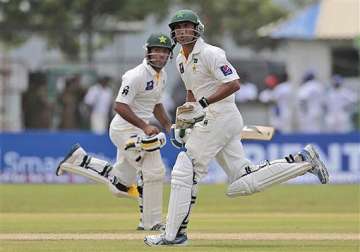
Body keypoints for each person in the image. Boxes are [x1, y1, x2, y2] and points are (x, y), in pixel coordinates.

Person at [144, 10, 329, 246]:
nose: (182, 31)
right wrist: (186, 120)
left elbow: (233, 84)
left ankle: (173, 235)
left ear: (197, 28)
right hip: (211, 119)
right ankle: (303, 161)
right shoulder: (181, 59)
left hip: (221, 115)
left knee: (184, 168)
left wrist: (203, 103)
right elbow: (192, 91)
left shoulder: (211, 53)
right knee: (242, 182)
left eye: (187, 26)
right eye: (178, 27)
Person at [56, 33, 174, 231]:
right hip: (125, 129)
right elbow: (119, 106)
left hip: (138, 129)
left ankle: (79, 160)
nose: (161, 55)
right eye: (157, 51)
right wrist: (145, 126)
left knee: (121, 185)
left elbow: (156, 103)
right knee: (153, 170)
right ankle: (151, 223)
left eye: (165, 51)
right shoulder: (135, 75)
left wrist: (168, 125)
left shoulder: (162, 75)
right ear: (148, 52)